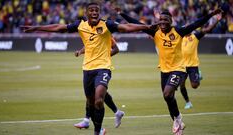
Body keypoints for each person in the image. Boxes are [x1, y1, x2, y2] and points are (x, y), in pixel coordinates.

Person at [22, 2, 152, 135]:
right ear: (86, 13)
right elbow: (59, 27)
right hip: (87, 69)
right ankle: (103, 119)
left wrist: (146, 26)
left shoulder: (107, 25)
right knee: (90, 102)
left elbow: (126, 27)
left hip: (103, 68)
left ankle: (97, 131)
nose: (95, 12)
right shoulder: (80, 25)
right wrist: (37, 27)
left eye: (97, 10)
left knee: (99, 99)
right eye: (91, 10)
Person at [116, 7, 222, 135]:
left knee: (167, 94)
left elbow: (196, 23)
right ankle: (178, 125)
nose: (163, 22)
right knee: (168, 98)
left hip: (178, 69)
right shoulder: (154, 31)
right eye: (161, 20)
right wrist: (121, 13)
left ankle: (177, 119)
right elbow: (138, 24)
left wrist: (211, 14)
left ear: (171, 21)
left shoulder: (179, 31)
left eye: (165, 20)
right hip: (164, 71)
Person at [74, 37, 125, 129]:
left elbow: (116, 49)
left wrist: (104, 57)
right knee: (96, 94)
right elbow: (88, 46)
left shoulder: (106, 34)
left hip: (102, 68)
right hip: (89, 68)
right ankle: (117, 112)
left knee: (96, 95)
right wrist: (80, 52)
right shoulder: (89, 33)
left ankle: (87, 121)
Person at [180, 14, 222, 109]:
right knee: (181, 85)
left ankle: (198, 74)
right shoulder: (180, 37)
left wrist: (217, 20)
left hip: (193, 65)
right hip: (182, 66)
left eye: (187, 27)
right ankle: (188, 102)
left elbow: (208, 30)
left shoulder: (195, 36)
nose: (185, 28)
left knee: (195, 86)